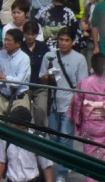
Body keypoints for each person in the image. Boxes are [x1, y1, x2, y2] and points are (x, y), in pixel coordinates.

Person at [40, 27, 87, 180]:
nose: (63, 43)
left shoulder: (80, 59)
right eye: (61, 40)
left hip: (69, 105)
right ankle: (61, 165)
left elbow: (82, 85)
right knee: (53, 138)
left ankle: (62, 173)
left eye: (67, 40)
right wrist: (45, 77)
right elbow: (41, 78)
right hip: (53, 103)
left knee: (66, 138)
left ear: (72, 42)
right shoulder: (49, 56)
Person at [0, 106, 54, 182]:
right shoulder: (6, 139)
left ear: (23, 125)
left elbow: (46, 167)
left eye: (14, 121)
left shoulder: (36, 140)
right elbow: (1, 163)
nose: (11, 123)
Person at [69, 52, 105, 163]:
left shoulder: (84, 82)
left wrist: (77, 121)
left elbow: (76, 105)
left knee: (90, 160)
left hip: (89, 125)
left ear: (92, 65)